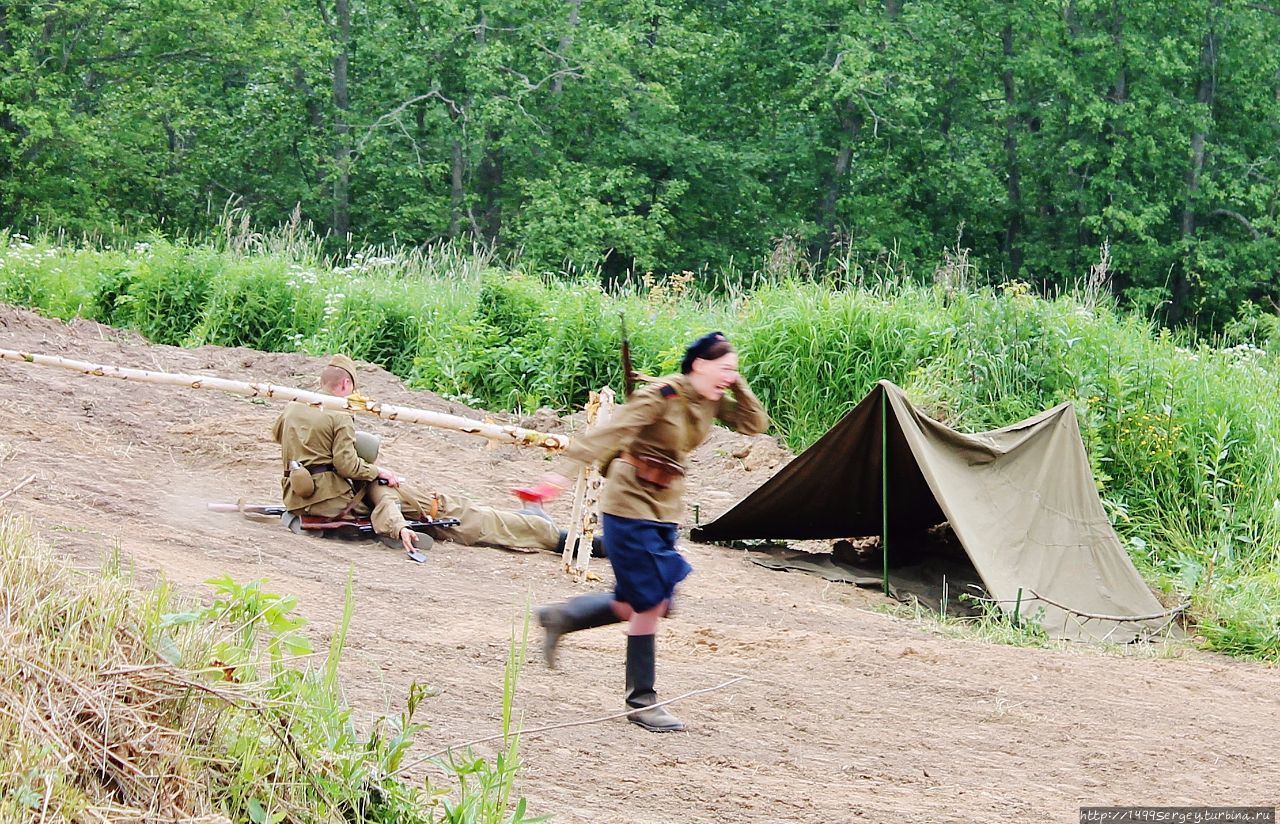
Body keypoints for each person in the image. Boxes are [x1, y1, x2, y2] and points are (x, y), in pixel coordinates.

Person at [529, 332, 768, 732]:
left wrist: (735, 381)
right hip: (629, 504)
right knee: (649, 603)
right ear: (698, 365)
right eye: (723, 368)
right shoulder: (664, 395)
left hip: (664, 509)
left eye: (734, 370)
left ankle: (562, 616)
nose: (729, 376)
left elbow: (755, 423)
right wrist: (559, 476)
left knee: (647, 602)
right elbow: (610, 432)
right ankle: (642, 701)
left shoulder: (710, 400)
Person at [271, 354, 562, 556]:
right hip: (335, 501)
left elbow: (278, 435)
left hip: (298, 498)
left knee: (458, 510)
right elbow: (347, 465)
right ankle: (544, 532)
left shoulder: (294, 404)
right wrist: (377, 472)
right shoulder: (340, 414)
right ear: (346, 385)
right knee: (459, 512)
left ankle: (530, 520)